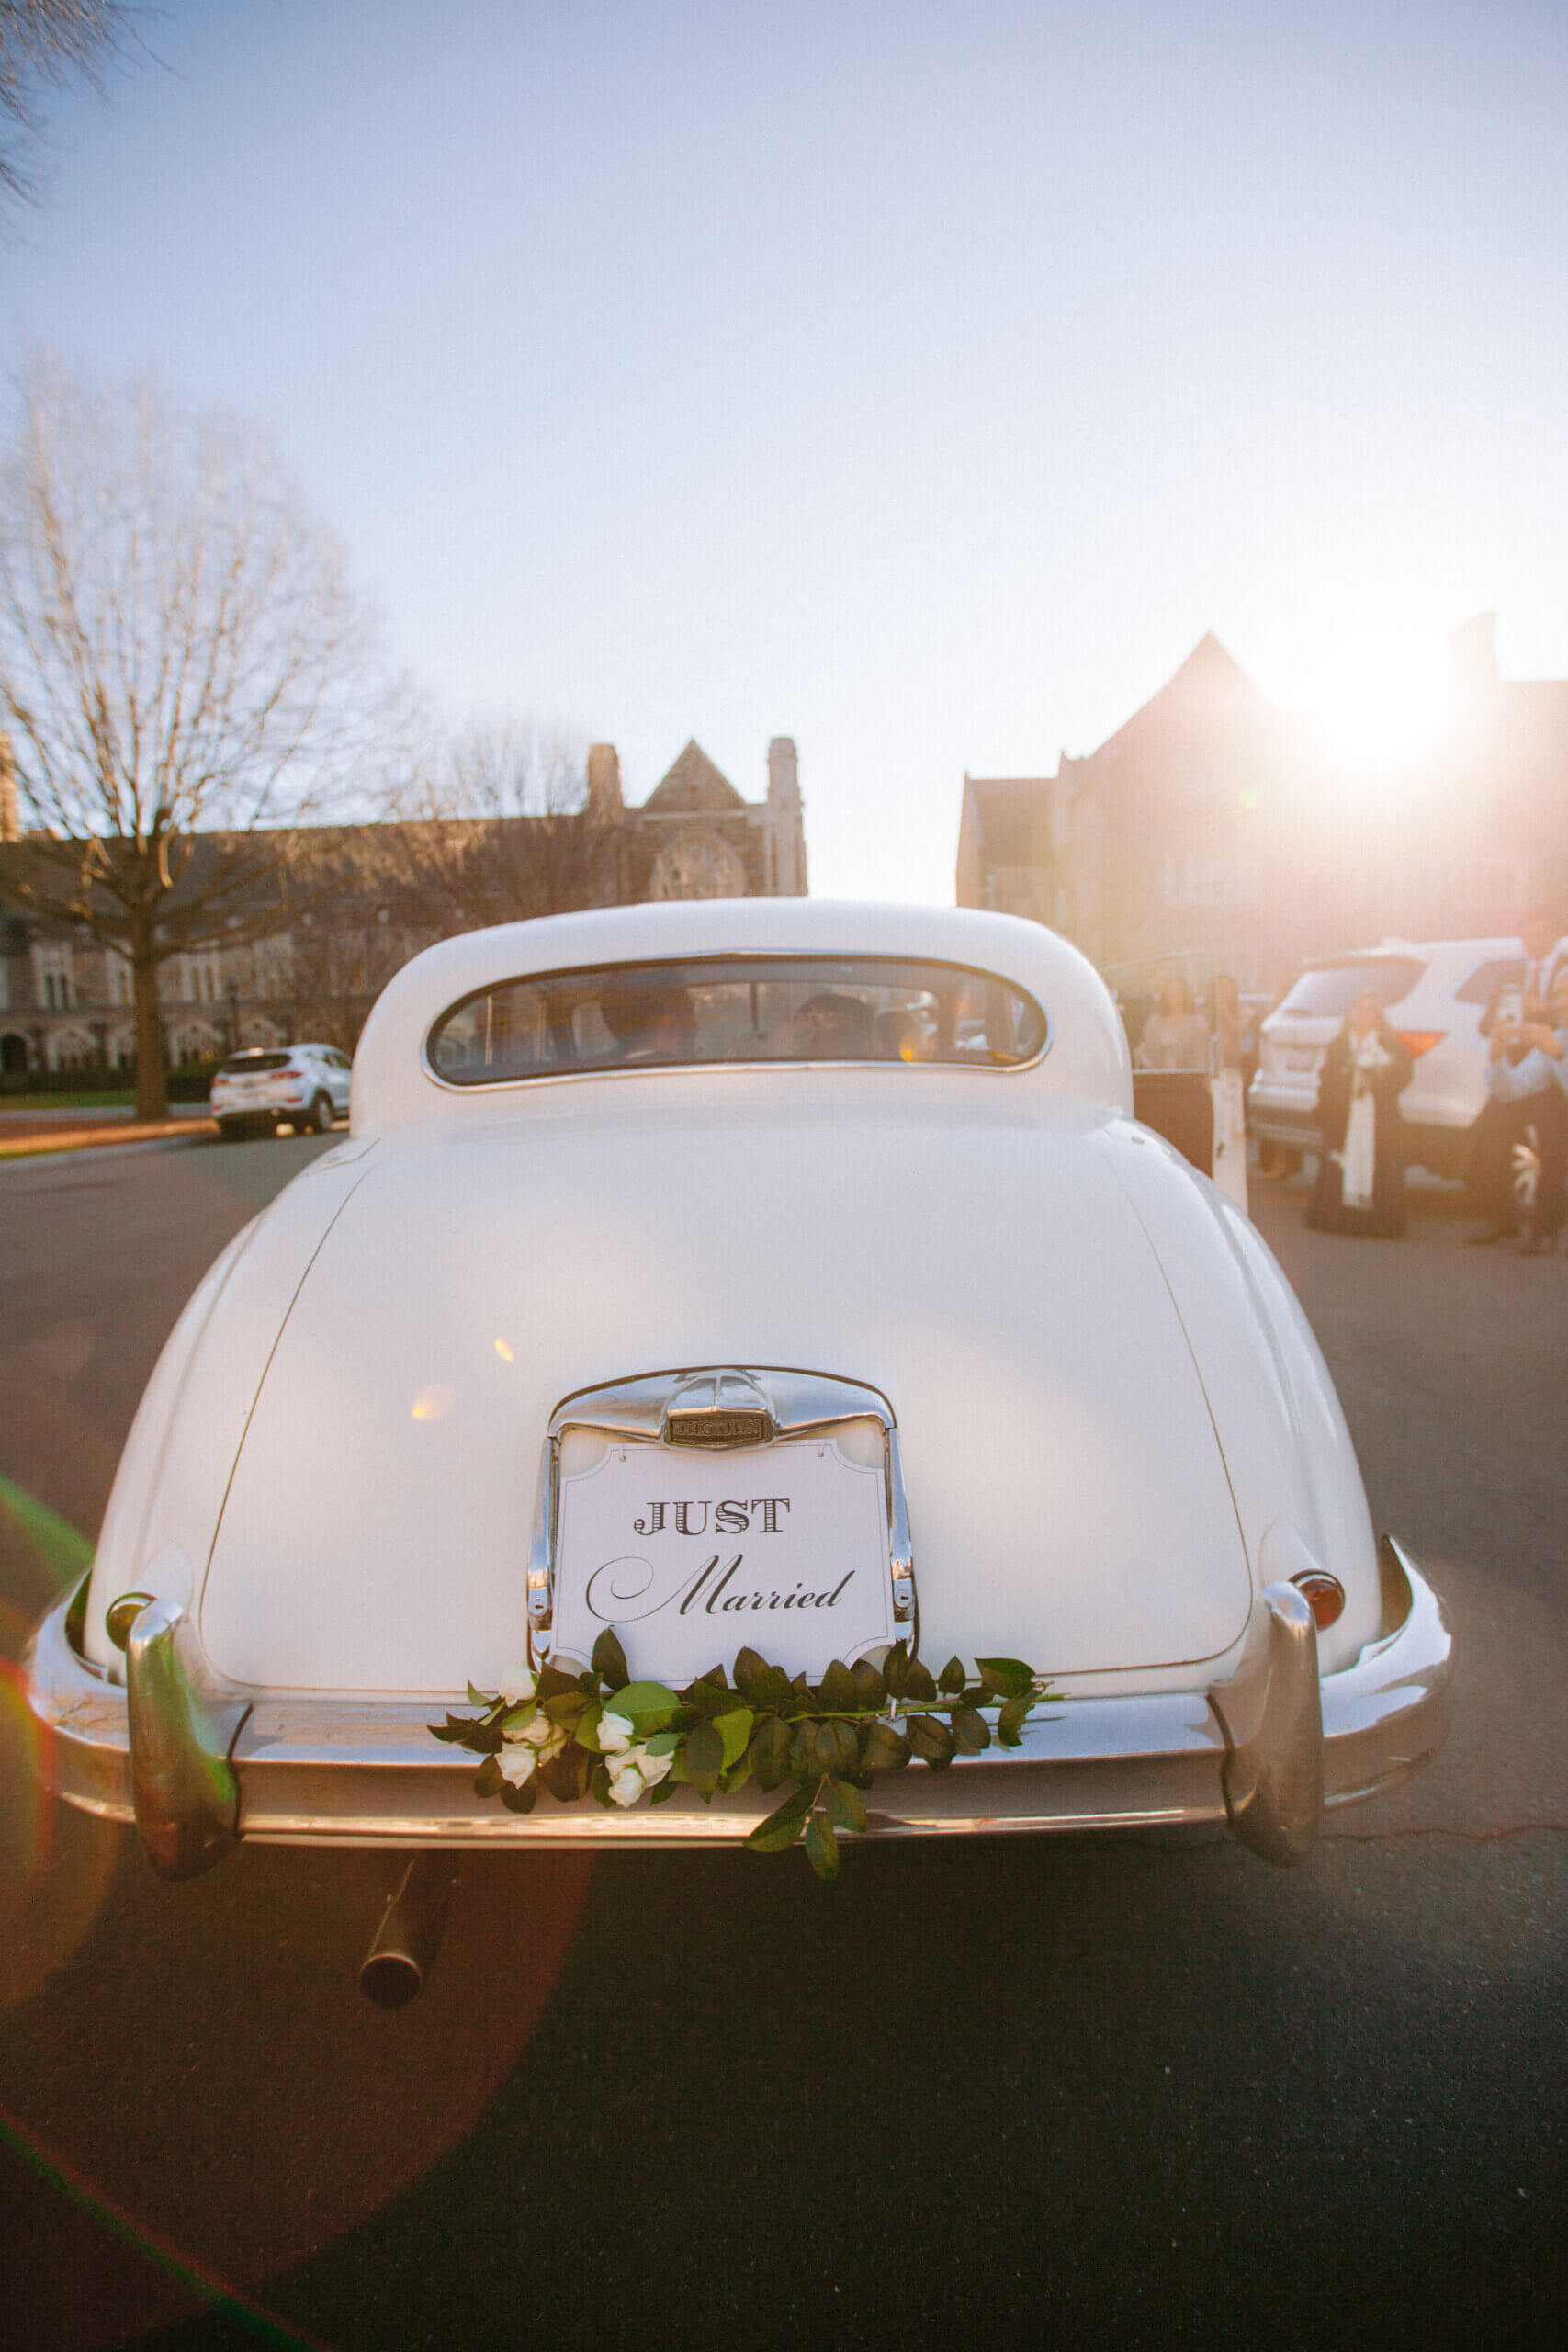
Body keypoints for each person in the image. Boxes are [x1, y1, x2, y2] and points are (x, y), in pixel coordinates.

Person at [1467, 964, 1568, 1252]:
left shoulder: (1557, 1044)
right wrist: (1498, 1057)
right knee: (1551, 1157)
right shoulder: (1558, 1038)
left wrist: (1560, 1056)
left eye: (1566, 994)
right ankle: (1543, 1231)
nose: (1559, 1002)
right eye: (1558, 994)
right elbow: (1512, 1090)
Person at [1306, 991, 1414, 1238]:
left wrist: (1376, 1080)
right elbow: (1328, 1078)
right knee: (1343, 1156)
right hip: (1346, 1114)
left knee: (1377, 1157)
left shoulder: (1389, 1043)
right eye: (1358, 1008)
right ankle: (1341, 1217)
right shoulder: (1340, 1044)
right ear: (1350, 1013)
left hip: (1378, 1116)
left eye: (1369, 1009)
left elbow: (1403, 1074)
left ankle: (1377, 1221)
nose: (1363, 1014)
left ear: (1377, 1015)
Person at [1134, 975, 1211, 1071]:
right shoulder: (1155, 1021)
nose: (1174, 994)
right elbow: (1147, 1048)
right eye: (1170, 991)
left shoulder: (1197, 1022)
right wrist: (1141, 1054)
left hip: (1189, 1077)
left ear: (1185, 994)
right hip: (1159, 1078)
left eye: (1178, 991)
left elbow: (1200, 1057)